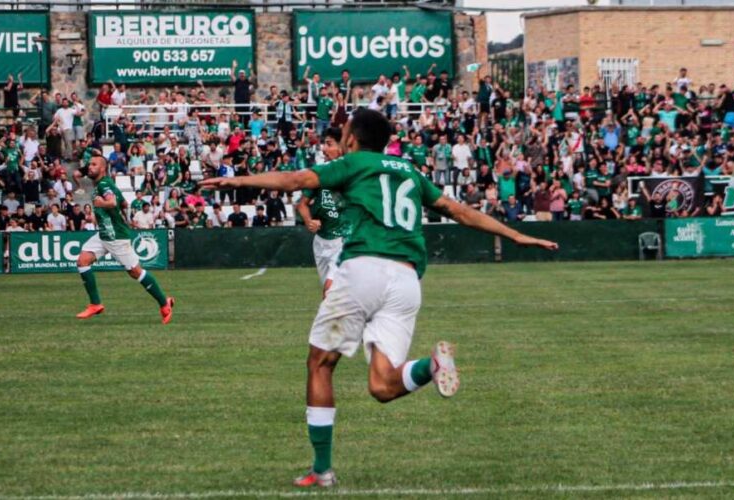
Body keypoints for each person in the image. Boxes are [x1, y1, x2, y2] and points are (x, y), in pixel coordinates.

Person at [198, 109, 558, 488]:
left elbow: (296, 180)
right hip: (405, 282)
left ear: (353, 139)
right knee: (383, 386)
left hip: (364, 271)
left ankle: (321, 470)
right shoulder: (409, 171)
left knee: (320, 364)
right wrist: (515, 235)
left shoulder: (353, 163)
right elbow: (456, 210)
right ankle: (432, 366)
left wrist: (236, 178)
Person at [73, 154, 175, 324]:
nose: (89, 167)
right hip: (104, 234)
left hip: (116, 236)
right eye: (89, 164)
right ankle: (95, 304)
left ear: (103, 168)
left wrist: (101, 205)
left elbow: (112, 202)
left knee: (135, 272)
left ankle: (165, 303)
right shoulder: (103, 182)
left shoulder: (105, 184)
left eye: (94, 165)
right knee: (82, 261)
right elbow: (123, 204)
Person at [294, 127, 346, 294]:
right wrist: (309, 221)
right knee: (334, 295)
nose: (324, 148)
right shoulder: (319, 173)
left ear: (342, 147)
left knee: (329, 291)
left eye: (329, 144)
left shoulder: (352, 173)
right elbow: (302, 204)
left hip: (343, 240)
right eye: (324, 144)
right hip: (320, 241)